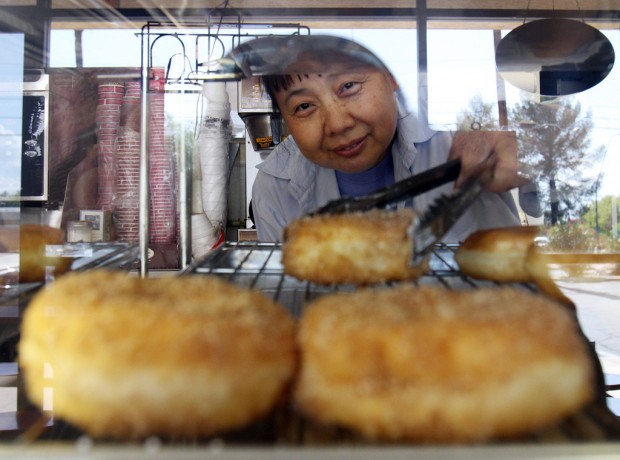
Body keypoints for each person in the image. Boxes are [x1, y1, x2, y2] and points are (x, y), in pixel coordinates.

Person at [249, 36, 529, 242]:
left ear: (392, 77)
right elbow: (289, 301)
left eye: (349, 86)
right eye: (304, 106)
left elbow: (555, 167)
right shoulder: (276, 187)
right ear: (285, 120)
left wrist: (529, 150)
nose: (338, 124)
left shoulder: (452, 135)